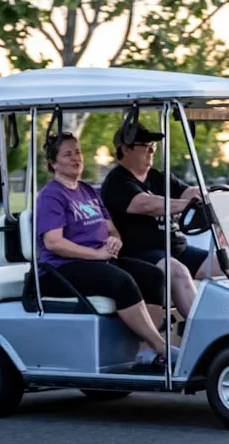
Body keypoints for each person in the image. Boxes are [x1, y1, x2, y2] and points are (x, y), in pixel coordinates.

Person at [35, 132, 175, 367]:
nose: (75, 158)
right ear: (53, 163)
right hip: (61, 269)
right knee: (122, 281)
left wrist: (115, 241)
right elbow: (54, 243)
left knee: (154, 276)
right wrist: (97, 255)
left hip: (98, 260)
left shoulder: (88, 191)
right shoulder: (51, 196)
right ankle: (161, 347)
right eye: (67, 154)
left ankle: (143, 353)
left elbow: (111, 229)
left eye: (77, 152)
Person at [101, 122, 222, 320]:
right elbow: (148, 204)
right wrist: (188, 204)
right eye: (144, 145)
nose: (151, 150)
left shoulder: (158, 177)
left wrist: (214, 196)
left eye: (153, 146)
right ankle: (205, 334)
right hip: (139, 253)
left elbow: (190, 191)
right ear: (125, 149)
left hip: (176, 249)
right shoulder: (117, 183)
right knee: (177, 271)